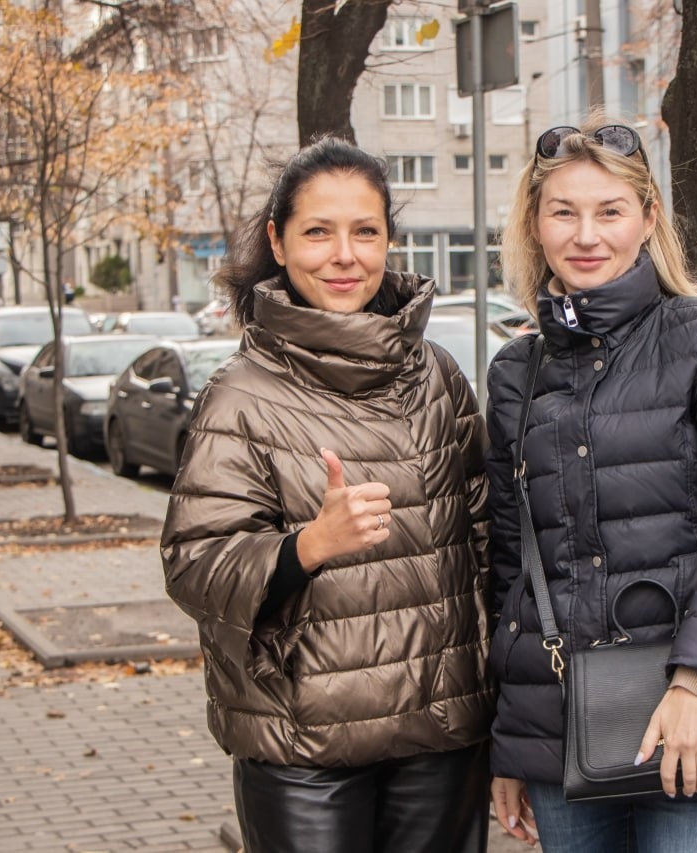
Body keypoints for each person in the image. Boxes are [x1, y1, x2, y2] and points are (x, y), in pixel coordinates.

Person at [160, 138, 494, 853]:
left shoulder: (436, 376)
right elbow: (194, 563)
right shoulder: (240, 396)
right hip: (301, 741)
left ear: (388, 242)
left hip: (441, 731)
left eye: (364, 231)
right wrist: (307, 546)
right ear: (279, 242)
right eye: (318, 231)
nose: (344, 255)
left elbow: (487, 540)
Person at [484, 118, 697, 852]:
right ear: (536, 225)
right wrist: (511, 744)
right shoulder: (516, 373)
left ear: (648, 219)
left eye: (610, 211)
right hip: (560, 724)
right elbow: (510, 571)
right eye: (563, 211)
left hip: (694, 709)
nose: (586, 234)